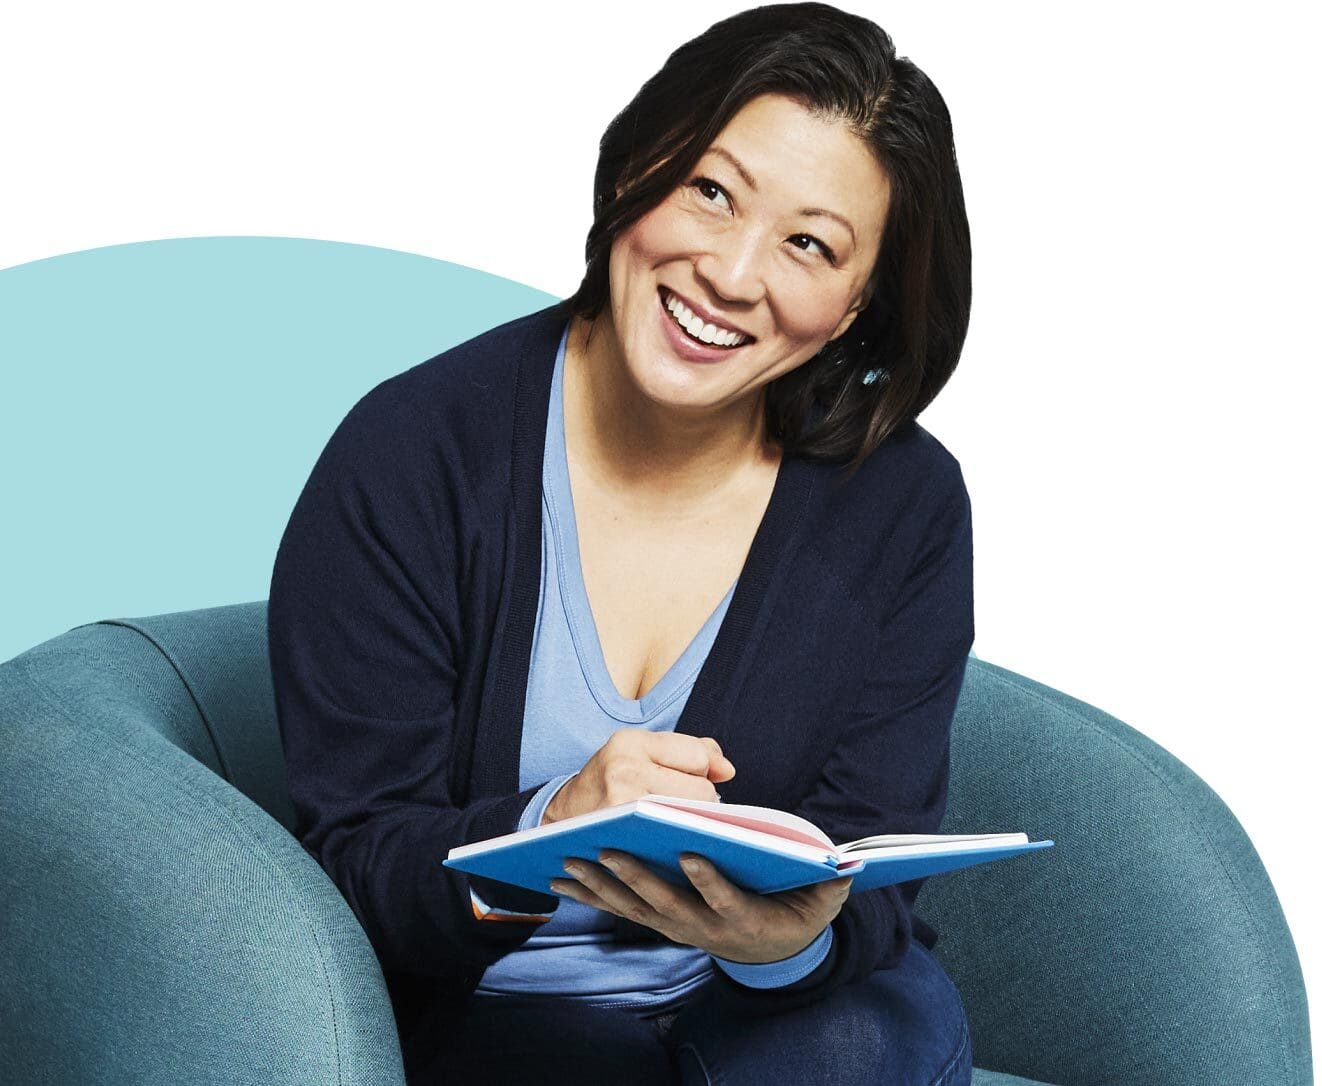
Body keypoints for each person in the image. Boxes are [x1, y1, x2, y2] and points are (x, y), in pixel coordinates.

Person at [267, 3, 975, 1083]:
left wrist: (782, 949)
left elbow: (871, 865)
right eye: (709, 190)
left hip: (778, 1023)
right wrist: (547, 827)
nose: (732, 275)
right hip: (485, 1023)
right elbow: (353, 859)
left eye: (806, 245)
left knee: (857, 1040)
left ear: (851, 307)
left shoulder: (904, 507)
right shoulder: (412, 453)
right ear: (633, 169)